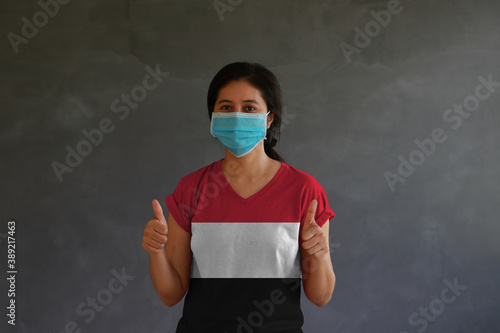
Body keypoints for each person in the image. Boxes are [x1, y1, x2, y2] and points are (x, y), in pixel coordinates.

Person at [142, 62, 336, 333]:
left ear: (269, 118)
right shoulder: (191, 189)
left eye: (249, 108)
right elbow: (170, 294)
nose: (236, 116)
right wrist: (156, 252)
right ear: (213, 116)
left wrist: (320, 254)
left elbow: (321, 296)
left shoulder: (304, 191)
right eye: (225, 107)